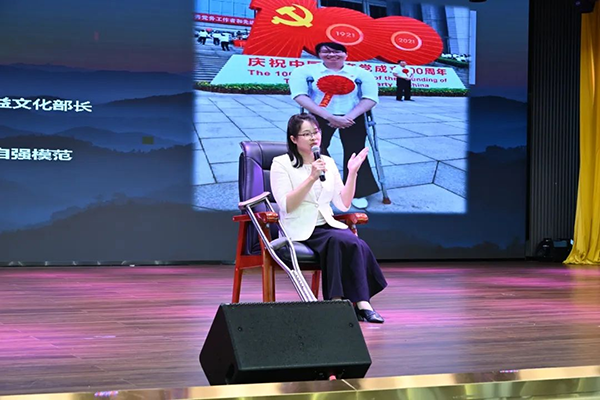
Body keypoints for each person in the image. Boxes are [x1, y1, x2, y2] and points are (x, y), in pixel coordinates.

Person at [270, 113, 388, 323]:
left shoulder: (328, 162)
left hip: (326, 224)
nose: (313, 137)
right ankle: (352, 303)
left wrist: (352, 173)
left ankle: (348, 303)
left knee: (350, 242)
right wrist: (311, 177)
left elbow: (343, 203)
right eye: (306, 134)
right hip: (299, 228)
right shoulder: (281, 164)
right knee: (343, 241)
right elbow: (287, 205)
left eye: (316, 132)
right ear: (294, 139)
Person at [288, 42, 380, 210]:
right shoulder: (305, 71)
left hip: (352, 116)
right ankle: (323, 184)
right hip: (319, 115)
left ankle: (357, 191)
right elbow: (299, 95)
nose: (331, 55)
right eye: (326, 52)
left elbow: (370, 98)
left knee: (355, 151)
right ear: (318, 54)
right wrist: (328, 116)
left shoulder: (360, 73)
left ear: (346, 54)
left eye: (337, 51)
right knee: (314, 150)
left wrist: (348, 117)